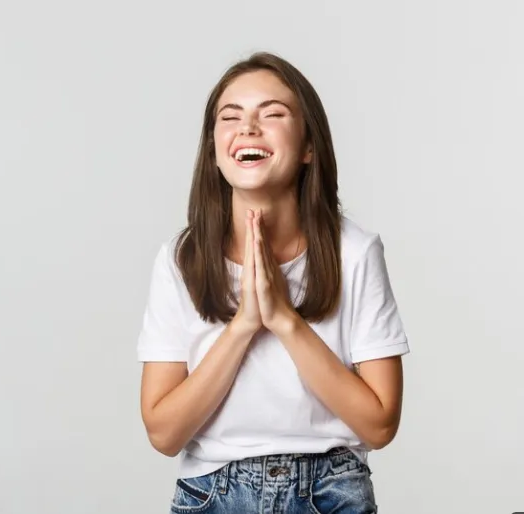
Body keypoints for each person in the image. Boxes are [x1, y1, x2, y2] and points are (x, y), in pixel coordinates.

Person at [136, 51, 410, 513]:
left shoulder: (355, 253)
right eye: (231, 116)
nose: (248, 127)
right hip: (212, 496)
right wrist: (244, 325)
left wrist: (284, 320)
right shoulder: (181, 260)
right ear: (214, 150)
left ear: (308, 147)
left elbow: (380, 425)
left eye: (273, 114)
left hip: (331, 492)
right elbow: (163, 433)